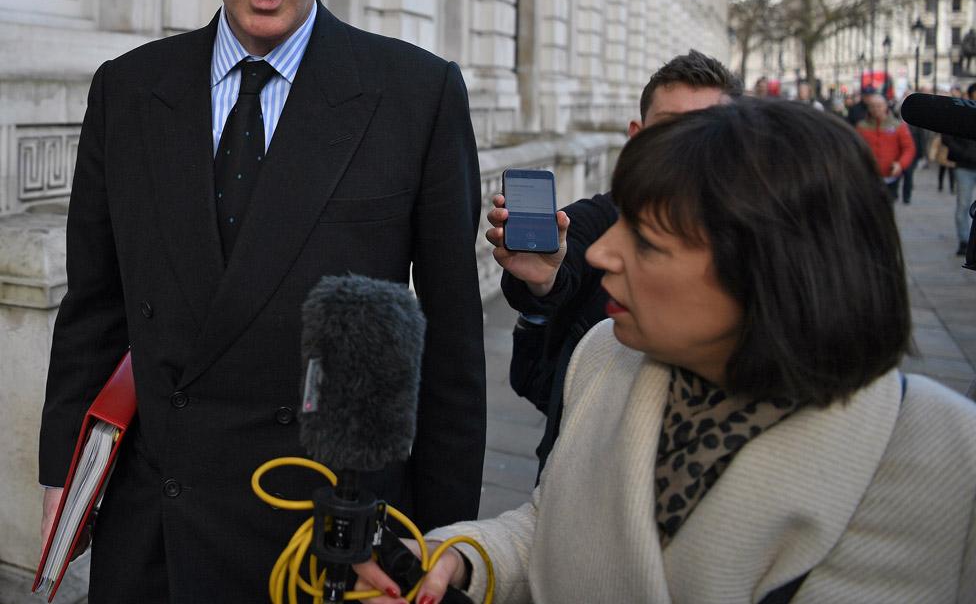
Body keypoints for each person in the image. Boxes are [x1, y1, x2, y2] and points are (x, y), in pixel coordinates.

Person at [37, 0, 486, 601]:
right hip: (155, 537)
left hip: (328, 545)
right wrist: (62, 477)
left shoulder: (418, 97)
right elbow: (94, 310)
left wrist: (442, 541)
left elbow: (451, 352)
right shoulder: (127, 92)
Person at [357, 100, 976, 604]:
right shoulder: (605, 355)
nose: (600, 254)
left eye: (648, 241)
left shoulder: (946, 456)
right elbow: (557, 530)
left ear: (766, 271)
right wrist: (464, 558)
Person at [488, 51, 742, 476]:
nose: (685, 147)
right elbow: (564, 266)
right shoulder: (596, 220)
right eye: (669, 129)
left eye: (705, 131)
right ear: (636, 136)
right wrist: (541, 283)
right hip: (579, 466)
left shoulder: (755, 244)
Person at [856, 92, 915, 201]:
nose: (876, 109)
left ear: (885, 106)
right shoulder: (861, 127)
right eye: (872, 106)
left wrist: (900, 164)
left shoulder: (897, 126)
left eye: (879, 106)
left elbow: (909, 148)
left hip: (890, 175)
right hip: (868, 176)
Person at [942, 82, 976, 255]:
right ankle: (964, 240)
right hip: (964, 166)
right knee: (963, 204)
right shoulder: (960, 113)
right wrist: (962, 153)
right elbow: (946, 137)